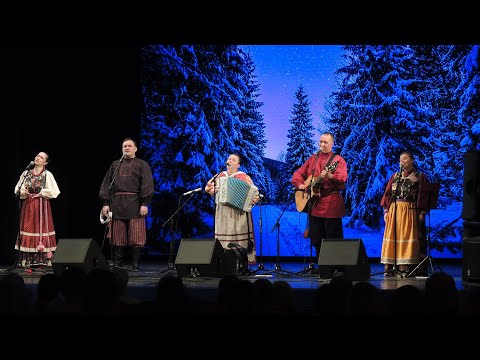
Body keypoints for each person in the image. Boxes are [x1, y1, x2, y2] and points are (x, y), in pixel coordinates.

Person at [99, 138, 154, 271]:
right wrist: (106, 203)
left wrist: (145, 203)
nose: (127, 148)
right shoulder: (115, 164)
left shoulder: (142, 164)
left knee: (136, 235)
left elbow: (147, 184)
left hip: (135, 203)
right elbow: (107, 184)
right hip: (117, 204)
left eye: (129, 146)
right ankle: (117, 263)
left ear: (135, 149)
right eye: (124, 146)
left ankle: (135, 264)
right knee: (118, 235)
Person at [291, 132, 347, 261]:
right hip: (315, 204)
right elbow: (298, 174)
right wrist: (300, 184)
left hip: (331, 204)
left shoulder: (338, 160)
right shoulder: (313, 158)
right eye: (320, 141)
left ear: (332, 144)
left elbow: (342, 179)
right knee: (316, 237)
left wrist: (330, 176)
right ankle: (322, 266)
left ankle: (336, 267)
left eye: (325, 142)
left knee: (333, 238)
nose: (322, 144)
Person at [205, 153, 259, 268]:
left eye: (233, 160)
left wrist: (254, 198)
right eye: (229, 159)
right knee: (222, 239)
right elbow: (209, 189)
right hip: (223, 213)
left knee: (239, 238)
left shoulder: (243, 177)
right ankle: (223, 262)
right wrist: (209, 189)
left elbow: (254, 192)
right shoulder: (219, 176)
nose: (229, 160)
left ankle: (241, 262)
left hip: (238, 213)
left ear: (238, 165)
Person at [380, 151, 427, 277]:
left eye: (405, 159)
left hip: (410, 210)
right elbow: (387, 194)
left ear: (412, 160)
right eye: (401, 159)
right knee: (394, 237)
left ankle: (405, 267)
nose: (402, 161)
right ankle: (391, 267)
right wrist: (386, 210)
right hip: (395, 211)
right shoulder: (395, 176)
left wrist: (422, 211)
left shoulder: (419, 176)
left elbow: (423, 195)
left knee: (407, 237)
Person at [14, 151, 60, 268]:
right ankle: (27, 261)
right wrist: (25, 192)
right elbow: (18, 189)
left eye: (41, 157)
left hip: (41, 206)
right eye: (37, 156)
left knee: (41, 228)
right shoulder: (26, 173)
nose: (37, 158)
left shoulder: (47, 174)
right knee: (28, 228)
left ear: (46, 162)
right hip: (29, 205)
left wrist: (41, 193)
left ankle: (41, 260)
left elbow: (55, 191)